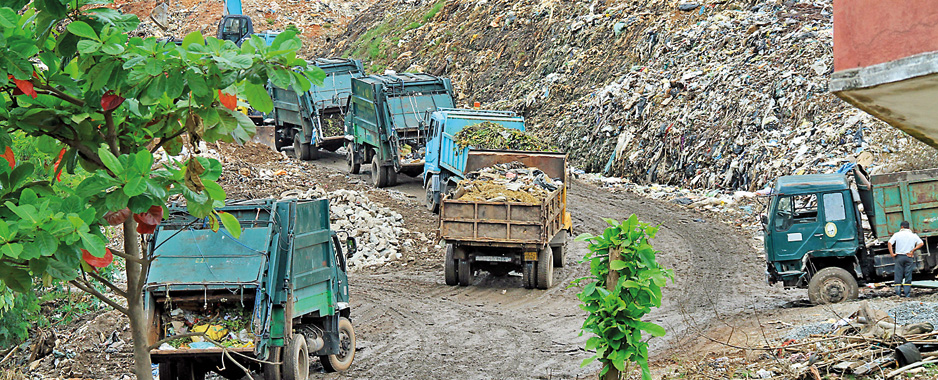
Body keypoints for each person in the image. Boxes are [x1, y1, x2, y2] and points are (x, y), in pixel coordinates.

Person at [888, 221, 924, 297]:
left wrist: (892, 254)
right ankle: (907, 294)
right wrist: (913, 250)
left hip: (899, 257)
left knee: (898, 274)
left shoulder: (897, 235)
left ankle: (898, 294)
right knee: (908, 275)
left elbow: (889, 243)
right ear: (908, 227)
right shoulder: (913, 235)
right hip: (909, 256)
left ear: (901, 227)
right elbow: (921, 243)